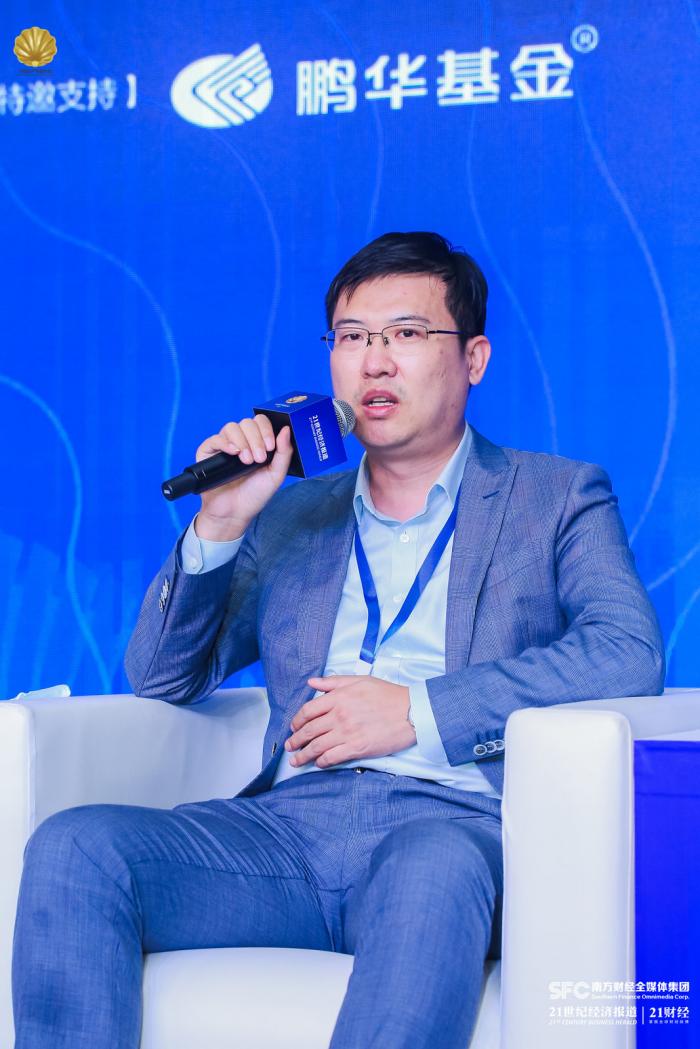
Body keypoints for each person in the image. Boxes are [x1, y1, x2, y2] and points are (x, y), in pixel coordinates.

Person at [12, 232, 665, 1048]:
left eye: (406, 333)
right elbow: (160, 675)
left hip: (450, 823)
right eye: (353, 337)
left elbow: (628, 648)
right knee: (76, 847)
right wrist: (221, 522)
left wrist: (417, 711)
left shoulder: (556, 495)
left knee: (430, 864)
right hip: (286, 832)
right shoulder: (292, 511)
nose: (374, 362)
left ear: (474, 359)